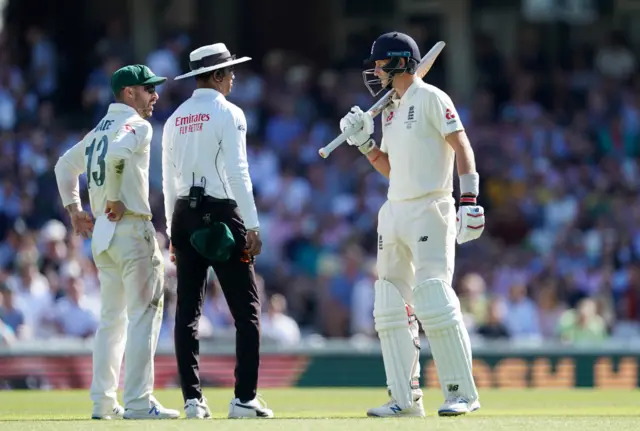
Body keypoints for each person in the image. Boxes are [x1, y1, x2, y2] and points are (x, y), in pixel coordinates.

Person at [339, 32, 486, 417]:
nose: (373, 69)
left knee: (433, 296)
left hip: (430, 208)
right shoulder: (389, 109)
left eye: (379, 62)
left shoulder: (433, 98)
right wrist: (365, 145)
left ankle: (461, 393)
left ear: (400, 62)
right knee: (389, 304)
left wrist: (469, 198)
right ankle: (404, 399)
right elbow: (391, 169)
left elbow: (462, 147)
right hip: (395, 211)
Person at [54, 64, 180, 420]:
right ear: (129, 93)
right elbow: (117, 156)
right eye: (148, 89)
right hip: (130, 229)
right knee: (143, 316)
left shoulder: (96, 131)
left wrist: (74, 210)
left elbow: (65, 166)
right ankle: (139, 401)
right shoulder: (138, 126)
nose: (154, 96)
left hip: (103, 239)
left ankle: (103, 403)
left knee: (112, 321)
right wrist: (113, 196)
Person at [162, 43, 274, 419]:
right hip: (223, 214)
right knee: (247, 312)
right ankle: (244, 398)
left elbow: (167, 181)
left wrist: (171, 233)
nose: (233, 77)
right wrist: (254, 223)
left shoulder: (174, 118)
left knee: (187, 313)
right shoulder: (229, 113)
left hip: (182, 214)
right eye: (228, 72)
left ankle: (193, 401)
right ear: (216, 76)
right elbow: (238, 172)